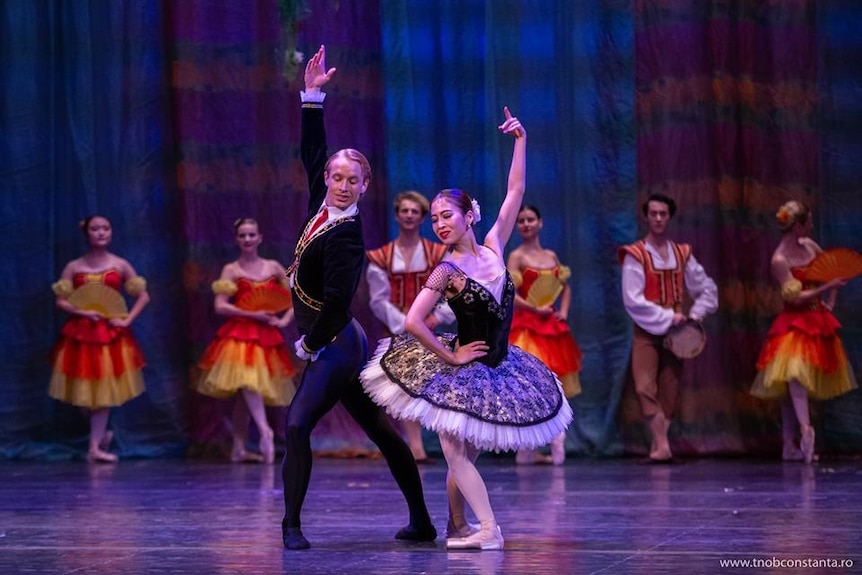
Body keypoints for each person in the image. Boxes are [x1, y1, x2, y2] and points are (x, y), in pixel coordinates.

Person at [361, 108, 573, 551]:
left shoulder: (495, 246)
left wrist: (520, 139)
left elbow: (516, 189)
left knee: (465, 456)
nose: (438, 224)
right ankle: (490, 529)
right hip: (461, 368)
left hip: (499, 365)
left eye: (445, 216)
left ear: (468, 216)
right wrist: (451, 355)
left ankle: (457, 526)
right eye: (434, 218)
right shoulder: (447, 270)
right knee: (456, 453)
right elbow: (415, 321)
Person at [280, 45, 435, 550]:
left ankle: (291, 527)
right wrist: (313, 97)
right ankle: (422, 522)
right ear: (328, 178)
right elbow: (312, 151)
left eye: (354, 180)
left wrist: (309, 346)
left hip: (338, 342)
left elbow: (338, 299)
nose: (343, 185)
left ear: (365, 187)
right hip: (341, 340)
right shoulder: (319, 203)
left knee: (298, 423)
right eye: (337, 177)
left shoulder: (347, 235)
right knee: (383, 433)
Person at [751, 201, 857, 464]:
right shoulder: (780, 259)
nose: (811, 226)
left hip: (817, 320)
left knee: (793, 383)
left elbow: (832, 268)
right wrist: (826, 289)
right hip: (794, 322)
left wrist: (829, 300)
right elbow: (796, 298)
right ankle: (804, 431)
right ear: (797, 226)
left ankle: (789, 446)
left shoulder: (809, 246)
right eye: (808, 222)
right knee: (794, 375)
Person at [618, 194, 718, 463]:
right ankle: (662, 444)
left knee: (670, 389)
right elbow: (633, 299)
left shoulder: (681, 254)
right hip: (647, 330)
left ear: (670, 217)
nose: (658, 218)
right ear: (646, 216)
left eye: (663, 214)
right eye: (653, 213)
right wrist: (666, 316)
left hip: (677, 336)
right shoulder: (636, 255)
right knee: (644, 385)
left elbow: (707, 289)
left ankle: (659, 446)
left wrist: (693, 317)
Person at [49, 215, 150, 463]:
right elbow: (60, 301)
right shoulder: (74, 266)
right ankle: (99, 435)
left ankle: (94, 448)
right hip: (81, 335)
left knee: (103, 391)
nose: (101, 233)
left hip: (110, 336)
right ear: (87, 234)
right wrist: (81, 311)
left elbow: (143, 296)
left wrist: (127, 320)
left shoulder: (120, 264)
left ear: (111, 233)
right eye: (95, 229)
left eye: (106, 228)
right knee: (84, 395)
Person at [197, 218, 297, 464]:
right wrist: (251, 314)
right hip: (240, 336)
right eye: (242, 235)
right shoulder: (231, 270)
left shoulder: (273, 267)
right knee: (248, 383)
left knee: (245, 393)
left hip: (266, 336)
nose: (247, 239)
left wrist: (283, 321)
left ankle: (239, 448)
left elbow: (295, 296)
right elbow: (220, 306)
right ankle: (264, 430)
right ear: (236, 240)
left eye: (252, 235)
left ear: (260, 238)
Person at [366, 190, 455, 464]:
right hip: (398, 329)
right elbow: (378, 299)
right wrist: (404, 324)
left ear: (422, 217)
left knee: (438, 386)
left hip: (431, 328)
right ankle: (415, 448)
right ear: (397, 215)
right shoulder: (381, 256)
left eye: (414, 211)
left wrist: (435, 318)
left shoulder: (437, 252)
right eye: (404, 210)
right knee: (404, 387)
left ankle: (450, 448)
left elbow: (454, 292)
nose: (409, 215)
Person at [508, 204, 583, 465]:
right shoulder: (516, 256)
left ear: (540, 223)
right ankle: (527, 447)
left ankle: (557, 442)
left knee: (557, 385)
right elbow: (510, 294)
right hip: (526, 327)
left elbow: (565, 287)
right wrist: (534, 307)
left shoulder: (551, 255)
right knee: (528, 386)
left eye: (531, 220)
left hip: (550, 327)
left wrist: (562, 310)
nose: (526, 224)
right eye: (521, 221)